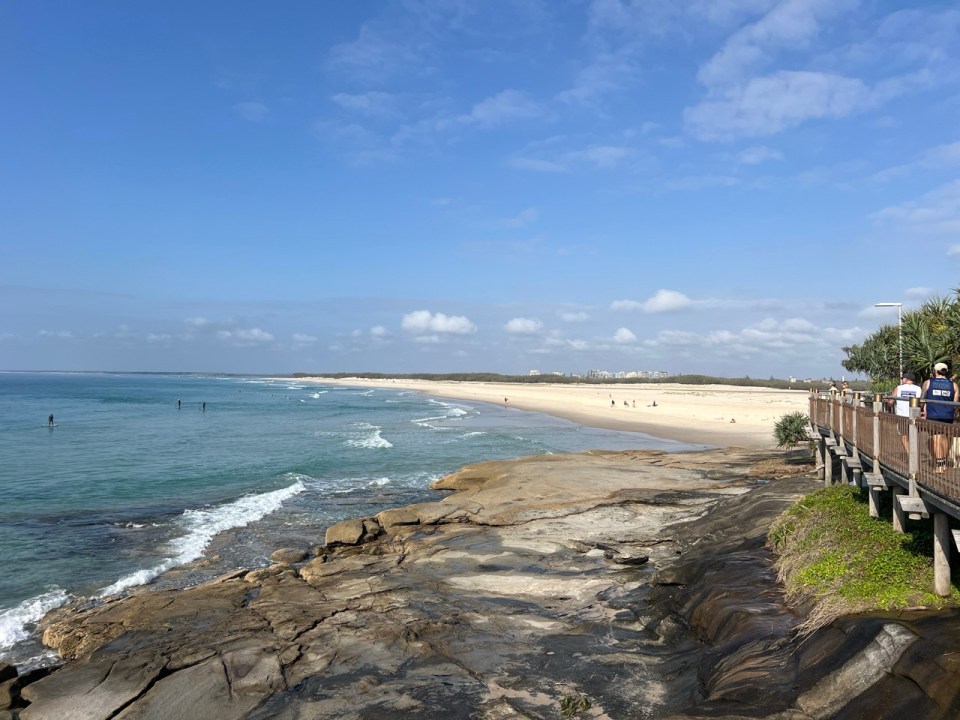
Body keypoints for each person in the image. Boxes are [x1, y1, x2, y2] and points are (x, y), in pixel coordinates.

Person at [921, 362, 959, 473]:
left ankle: (939, 466)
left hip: (934, 415)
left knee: (936, 438)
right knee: (945, 438)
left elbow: (922, 400)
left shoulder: (928, 383)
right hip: (948, 415)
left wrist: (919, 412)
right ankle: (944, 463)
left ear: (935, 371)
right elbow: (955, 403)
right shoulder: (954, 385)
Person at [887, 371, 922, 453]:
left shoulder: (899, 388)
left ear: (906, 379)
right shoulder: (918, 389)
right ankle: (914, 453)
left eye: (902, 378)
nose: (902, 380)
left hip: (902, 417)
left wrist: (888, 406)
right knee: (913, 436)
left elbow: (890, 402)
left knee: (903, 436)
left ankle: (910, 454)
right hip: (915, 416)